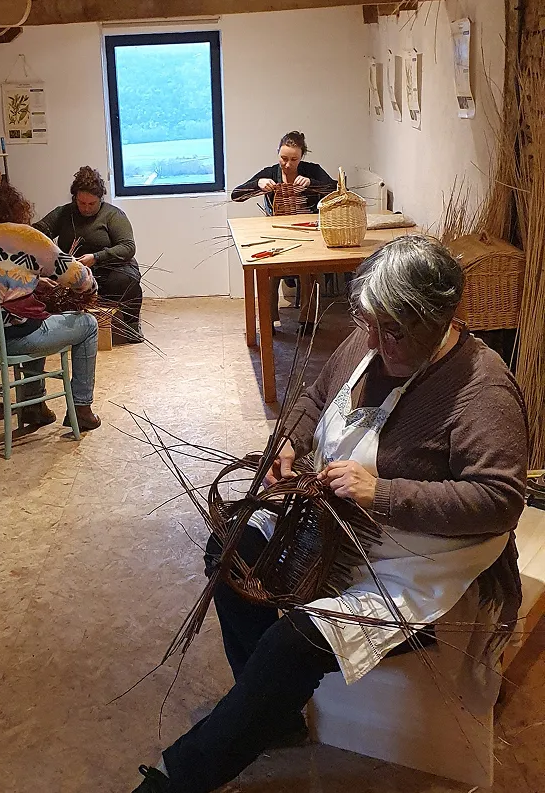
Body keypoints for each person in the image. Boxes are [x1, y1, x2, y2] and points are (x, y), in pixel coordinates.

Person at [131, 235, 528, 793]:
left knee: (292, 644)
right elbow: (314, 399)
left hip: (414, 563)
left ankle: (179, 781)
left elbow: (499, 500)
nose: (377, 341)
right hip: (336, 530)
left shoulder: (480, 389)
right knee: (228, 553)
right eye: (372, 323)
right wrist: (288, 443)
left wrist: (382, 491)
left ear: (442, 318)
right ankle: (275, 717)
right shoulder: (367, 346)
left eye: (396, 330)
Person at [0, 183, 101, 432]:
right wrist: (91, 289)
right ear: (18, 210)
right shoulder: (26, 236)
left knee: (34, 313)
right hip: (15, 339)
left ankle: (33, 408)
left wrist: (32, 282)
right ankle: (81, 409)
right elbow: (76, 276)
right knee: (87, 325)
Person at [231, 131, 337, 331]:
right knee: (270, 272)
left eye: (294, 159)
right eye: (284, 158)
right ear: (278, 154)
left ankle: (308, 321)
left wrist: (312, 183)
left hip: (308, 232)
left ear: (302, 156)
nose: (288, 164)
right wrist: (258, 184)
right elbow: (237, 195)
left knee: (310, 270)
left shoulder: (311, 171)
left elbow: (337, 189)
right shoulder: (270, 173)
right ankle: (268, 320)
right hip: (276, 231)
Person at [34, 166, 144, 342]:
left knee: (126, 280)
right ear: (74, 198)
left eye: (91, 204)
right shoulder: (64, 213)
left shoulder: (112, 215)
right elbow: (37, 233)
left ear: (100, 199)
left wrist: (96, 257)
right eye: (81, 203)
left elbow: (128, 247)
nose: (86, 208)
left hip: (108, 271)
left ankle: (132, 326)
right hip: (73, 273)